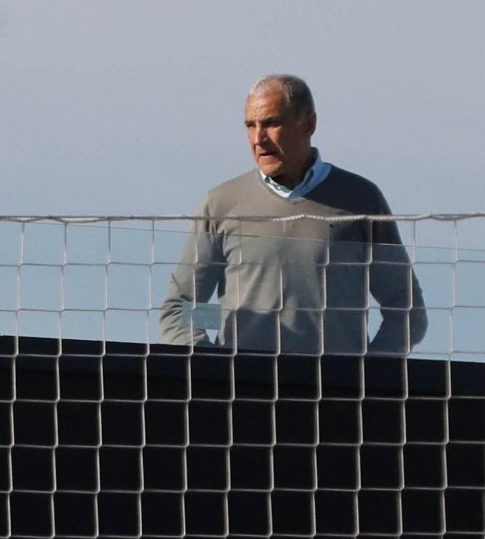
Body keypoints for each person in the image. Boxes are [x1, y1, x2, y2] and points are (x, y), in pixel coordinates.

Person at [159, 74, 426, 354]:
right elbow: (181, 308)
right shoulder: (222, 203)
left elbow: (406, 308)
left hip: (335, 393)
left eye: (271, 123)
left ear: (308, 123)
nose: (258, 138)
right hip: (243, 392)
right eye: (251, 126)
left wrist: (369, 373)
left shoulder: (360, 199)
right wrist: (214, 366)